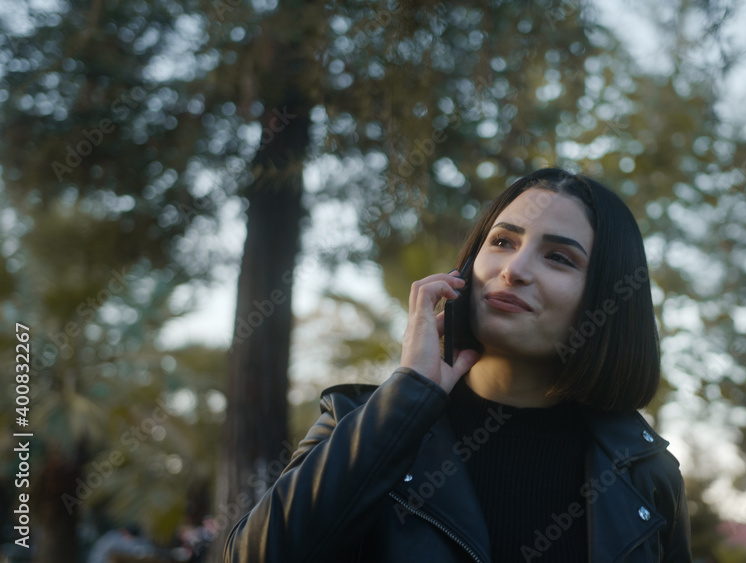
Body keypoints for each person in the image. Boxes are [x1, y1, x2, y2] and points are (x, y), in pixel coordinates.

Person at [224, 168, 692, 562]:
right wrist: (408, 396)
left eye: (558, 257)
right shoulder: (356, 421)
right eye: (504, 241)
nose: (514, 269)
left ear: (606, 301)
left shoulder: (643, 473)